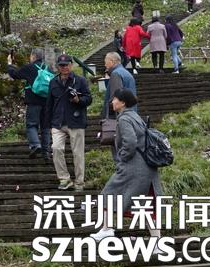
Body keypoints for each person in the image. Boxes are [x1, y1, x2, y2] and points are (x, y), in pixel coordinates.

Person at [90, 89, 163, 251]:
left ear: (122, 102)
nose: (112, 102)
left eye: (114, 99)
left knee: (108, 194)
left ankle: (107, 230)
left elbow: (130, 142)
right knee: (145, 206)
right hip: (146, 168)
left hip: (134, 168)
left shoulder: (124, 119)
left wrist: (122, 156)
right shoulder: (135, 116)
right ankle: (157, 243)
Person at [46, 54, 92, 191]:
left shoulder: (80, 80)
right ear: (58, 67)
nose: (64, 67)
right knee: (56, 148)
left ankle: (79, 182)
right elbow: (49, 104)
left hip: (76, 121)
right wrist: (48, 124)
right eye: (61, 65)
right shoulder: (53, 82)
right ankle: (64, 178)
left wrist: (79, 100)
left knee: (78, 153)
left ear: (71, 65)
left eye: (66, 65)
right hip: (58, 122)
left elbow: (89, 98)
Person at [8, 47, 52, 160]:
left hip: (33, 102)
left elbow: (14, 74)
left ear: (33, 56)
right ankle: (46, 152)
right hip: (47, 102)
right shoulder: (49, 69)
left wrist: (10, 63)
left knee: (31, 124)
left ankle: (35, 145)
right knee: (46, 127)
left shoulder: (29, 67)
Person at [101, 52, 136, 163]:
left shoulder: (116, 74)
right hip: (130, 113)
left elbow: (116, 98)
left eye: (106, 62)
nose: (105, 64)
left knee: (118, 150)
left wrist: (107, 116)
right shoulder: (125, 73)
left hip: (119, 117)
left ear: (112, 61)